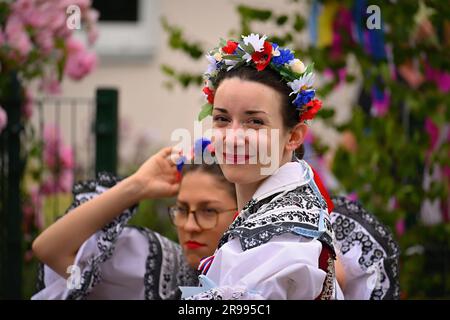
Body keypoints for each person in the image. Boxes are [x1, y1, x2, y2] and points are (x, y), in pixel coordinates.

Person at [180, 34, 341, 300]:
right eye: (221, 118)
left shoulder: (284, 242)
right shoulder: (272, 215)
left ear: (294, 136)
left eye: (254, 122)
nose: (232, 137)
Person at [32, 141, 238, 299]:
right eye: (182, 210)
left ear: (240, 214)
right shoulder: (155, 267)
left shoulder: (261, 275)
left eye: (208, 211)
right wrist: (137, 186)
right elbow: (49, 249)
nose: (190, 226)